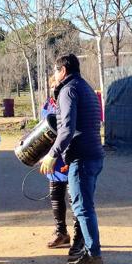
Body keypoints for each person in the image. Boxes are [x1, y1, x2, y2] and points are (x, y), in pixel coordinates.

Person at [39, 54, 104, 264]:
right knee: (85, 206)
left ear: (63, 70)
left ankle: (93, 255)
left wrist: (52, 154)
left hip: (82, 157)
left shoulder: (68, 90)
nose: (54, 75)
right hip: (94, 154)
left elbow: (66, 129)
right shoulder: (85, 87)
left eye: (55, 70)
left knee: (82, 207)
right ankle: (89, 250)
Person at [40, 81, 83, 254]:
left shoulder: (70, 98)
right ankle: (61, 233)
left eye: (55, 84)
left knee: (75, 199)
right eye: (51, 86)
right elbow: (42, 129)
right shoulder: (48, 104)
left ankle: (79, 238)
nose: (53, 88)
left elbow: (70, 128)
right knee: (56, 195)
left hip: (69, 154)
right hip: (54, 158)